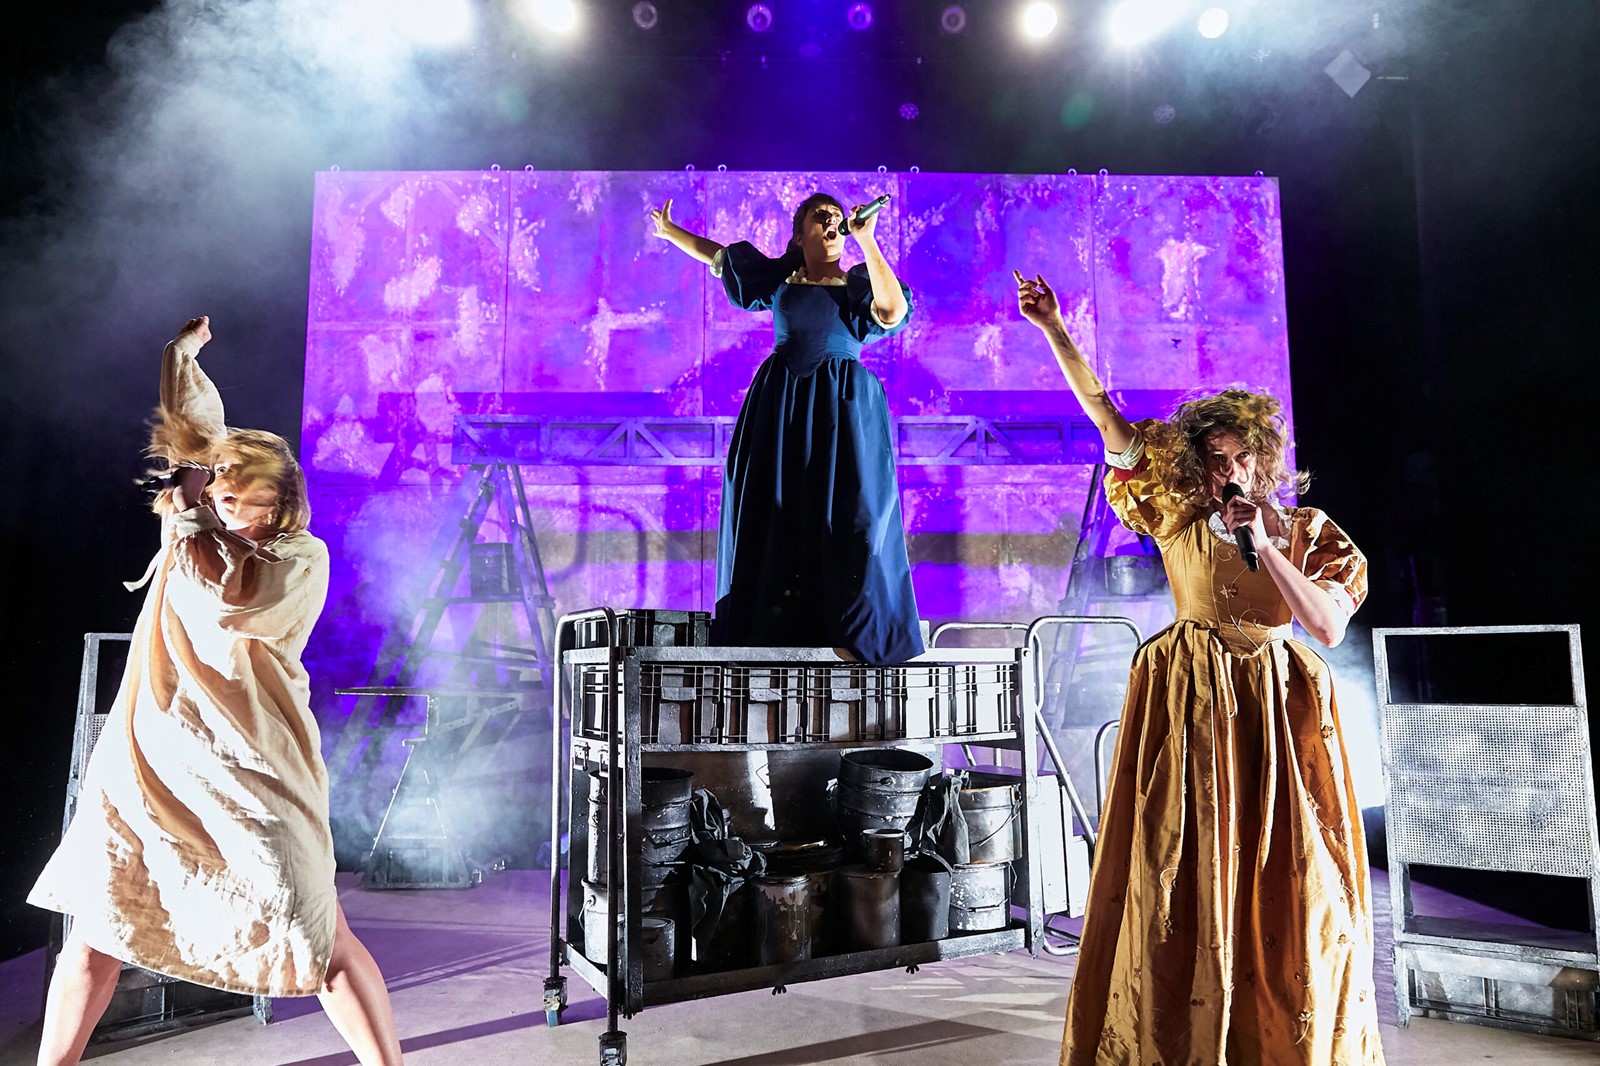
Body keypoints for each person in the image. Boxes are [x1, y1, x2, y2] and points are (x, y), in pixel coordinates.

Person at [1014, 271, 1384, 1065]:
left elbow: (1325, 625)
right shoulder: (1178, 514)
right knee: (1181, 869)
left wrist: (1263, 549)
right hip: (1189, 701)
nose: (1229, 473)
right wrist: (1053, 328)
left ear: (1264, 459)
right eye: (1215, 462)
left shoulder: (1310, 532)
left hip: (1278, 708)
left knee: (1292, 878)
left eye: (1240, 458)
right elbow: (1105, 416)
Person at [29, 317, 403, 1066]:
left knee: (316, 929)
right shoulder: (194, 531)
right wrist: (181, 359)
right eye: (219, 492)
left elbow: (234, 600)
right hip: (156, 759)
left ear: (278, 497)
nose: (222, 498)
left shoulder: (297, 557)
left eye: (238, 494)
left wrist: (197, 510)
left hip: (251, 764)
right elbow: (194, 442)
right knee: (99, 928)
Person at [649, 192, 923, 664]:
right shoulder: (780, 279)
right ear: (800, 235)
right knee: (775, 509)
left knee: (855, 511)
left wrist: (868, 241)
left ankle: (854, 634)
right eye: (820, 216)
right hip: (781, 407)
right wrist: (671, 232)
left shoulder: (860, 281)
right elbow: (719, 258)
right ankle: (773, 635)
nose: (832, 220)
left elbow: (892, 312)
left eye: (836, 216)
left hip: (843, 407)